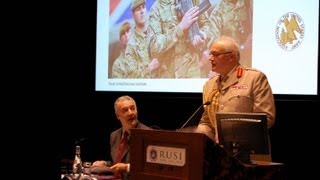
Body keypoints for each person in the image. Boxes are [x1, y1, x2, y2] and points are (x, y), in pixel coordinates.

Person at [196, 36, 276, 161]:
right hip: (218, 159)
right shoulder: (209, 85)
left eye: (215, 54)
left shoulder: (254, 78)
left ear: (231, 57)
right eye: (210, 54)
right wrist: (198, 135)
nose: (210, 58)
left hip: (249, 158)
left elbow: (266, 118)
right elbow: (207, 122)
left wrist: (230, 134)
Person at [146, 0, 213, 78]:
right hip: (169, 77)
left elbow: (208, 25)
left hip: (191, 73)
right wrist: (180, 27)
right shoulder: (157, 8)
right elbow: (154, 48)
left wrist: (202, 36)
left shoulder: (194, 1)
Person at [92, 95, 150, 179]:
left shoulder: (147, 134)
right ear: (117, 116)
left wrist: (127, 167)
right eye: (125, 110)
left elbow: (151, 168)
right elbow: (118, 162)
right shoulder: (114, 135)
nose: (130, 113)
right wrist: (105, 163)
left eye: (133, 108)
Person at [124, 0, 160, 78]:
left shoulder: (156, 31)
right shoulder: (131, 46)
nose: (142, 11)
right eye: (138, 9)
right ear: (132, 14)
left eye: (143, 7)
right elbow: (131, 77)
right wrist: (150, 67)